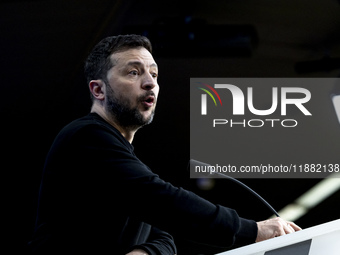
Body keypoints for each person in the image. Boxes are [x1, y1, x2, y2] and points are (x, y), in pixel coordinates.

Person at [28, 34, 301, 255]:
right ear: (98, 90)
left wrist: (145, 253)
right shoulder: (86, 137)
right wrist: (251, 230)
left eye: (155, 74)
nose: (150, 83)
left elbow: (163, 235)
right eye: (134, 73)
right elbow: (160, 200)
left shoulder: (125, 165)